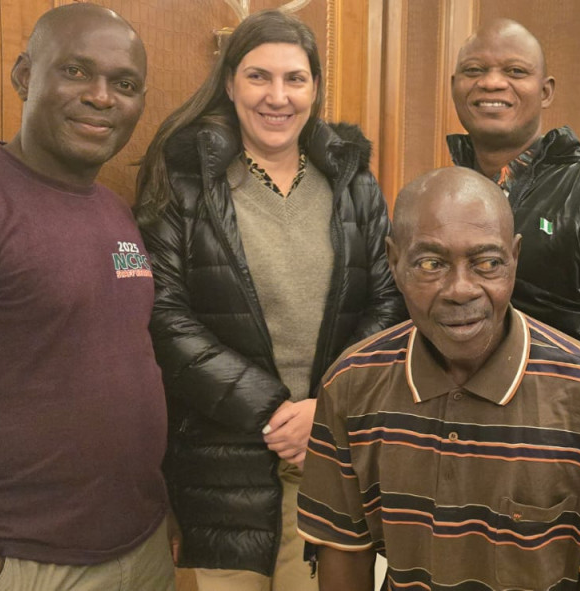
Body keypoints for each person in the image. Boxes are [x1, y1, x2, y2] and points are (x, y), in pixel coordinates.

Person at [134, 10, 404, 590]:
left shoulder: (354, 182)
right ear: (230, 83)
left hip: (331, 460)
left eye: (294, 79)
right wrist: (273, 411)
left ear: (315, 88)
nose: (277, 97)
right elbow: (163, 315)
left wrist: (324, 412)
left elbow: (386, 305)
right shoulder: (185, 178)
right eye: (259, 76)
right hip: (222, 469)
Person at [0, 4, 174, 591]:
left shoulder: (115, 211)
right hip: (23, 560)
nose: (101, 97)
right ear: (25, 75)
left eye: (124, 84)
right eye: (76, 71)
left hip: (141, 545)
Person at [297, 167, 580, 591]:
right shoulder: (351, 383)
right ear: (394, 262)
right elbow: (344, 553)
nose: (461, 289)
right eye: (431, 263)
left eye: (488, 263)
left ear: (514, 259)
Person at [446, 18, 580, 419]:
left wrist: (568, 442)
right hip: (451, 430)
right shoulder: (442, 196)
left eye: (515, 71)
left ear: (545, 91)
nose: (491, 83)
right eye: (474, 70)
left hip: (556, 437)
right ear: (454, 86)